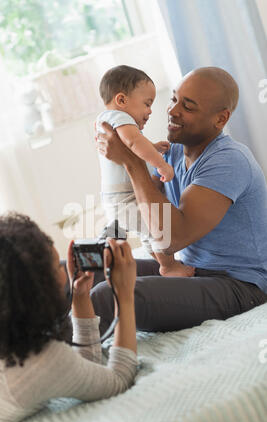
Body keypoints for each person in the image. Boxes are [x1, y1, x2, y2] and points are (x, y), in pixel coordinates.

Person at [92, 66, 267, 336]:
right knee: (89, 266)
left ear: (220, 119)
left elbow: (170, 238)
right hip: (192, 268)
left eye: (188, 106)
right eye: (174, 99)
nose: (172, 111)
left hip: (239, 284)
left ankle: (71, 370)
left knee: (107, 295)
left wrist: (131, 162)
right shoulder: (170, 153)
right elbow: (146, 209)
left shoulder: (228, 160)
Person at [0, 213, 138, 422]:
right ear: (38, 289)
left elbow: (81, 370)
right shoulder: (39, 360)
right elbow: (118, 379)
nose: (62, 269)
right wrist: (125, 295)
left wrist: (80, 296)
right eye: (56, 265)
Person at [97, 65, 194, 278]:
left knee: (147, 232)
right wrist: (161, 164)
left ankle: (162, 263)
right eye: (147, 104)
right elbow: (133, 142)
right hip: (125, 197)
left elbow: (134, 142)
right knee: (158, 227)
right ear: (121, 100)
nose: (150, 110)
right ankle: (168, 267)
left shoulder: (110, 120)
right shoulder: (119, 117)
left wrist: (152, 146)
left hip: (117, 198)